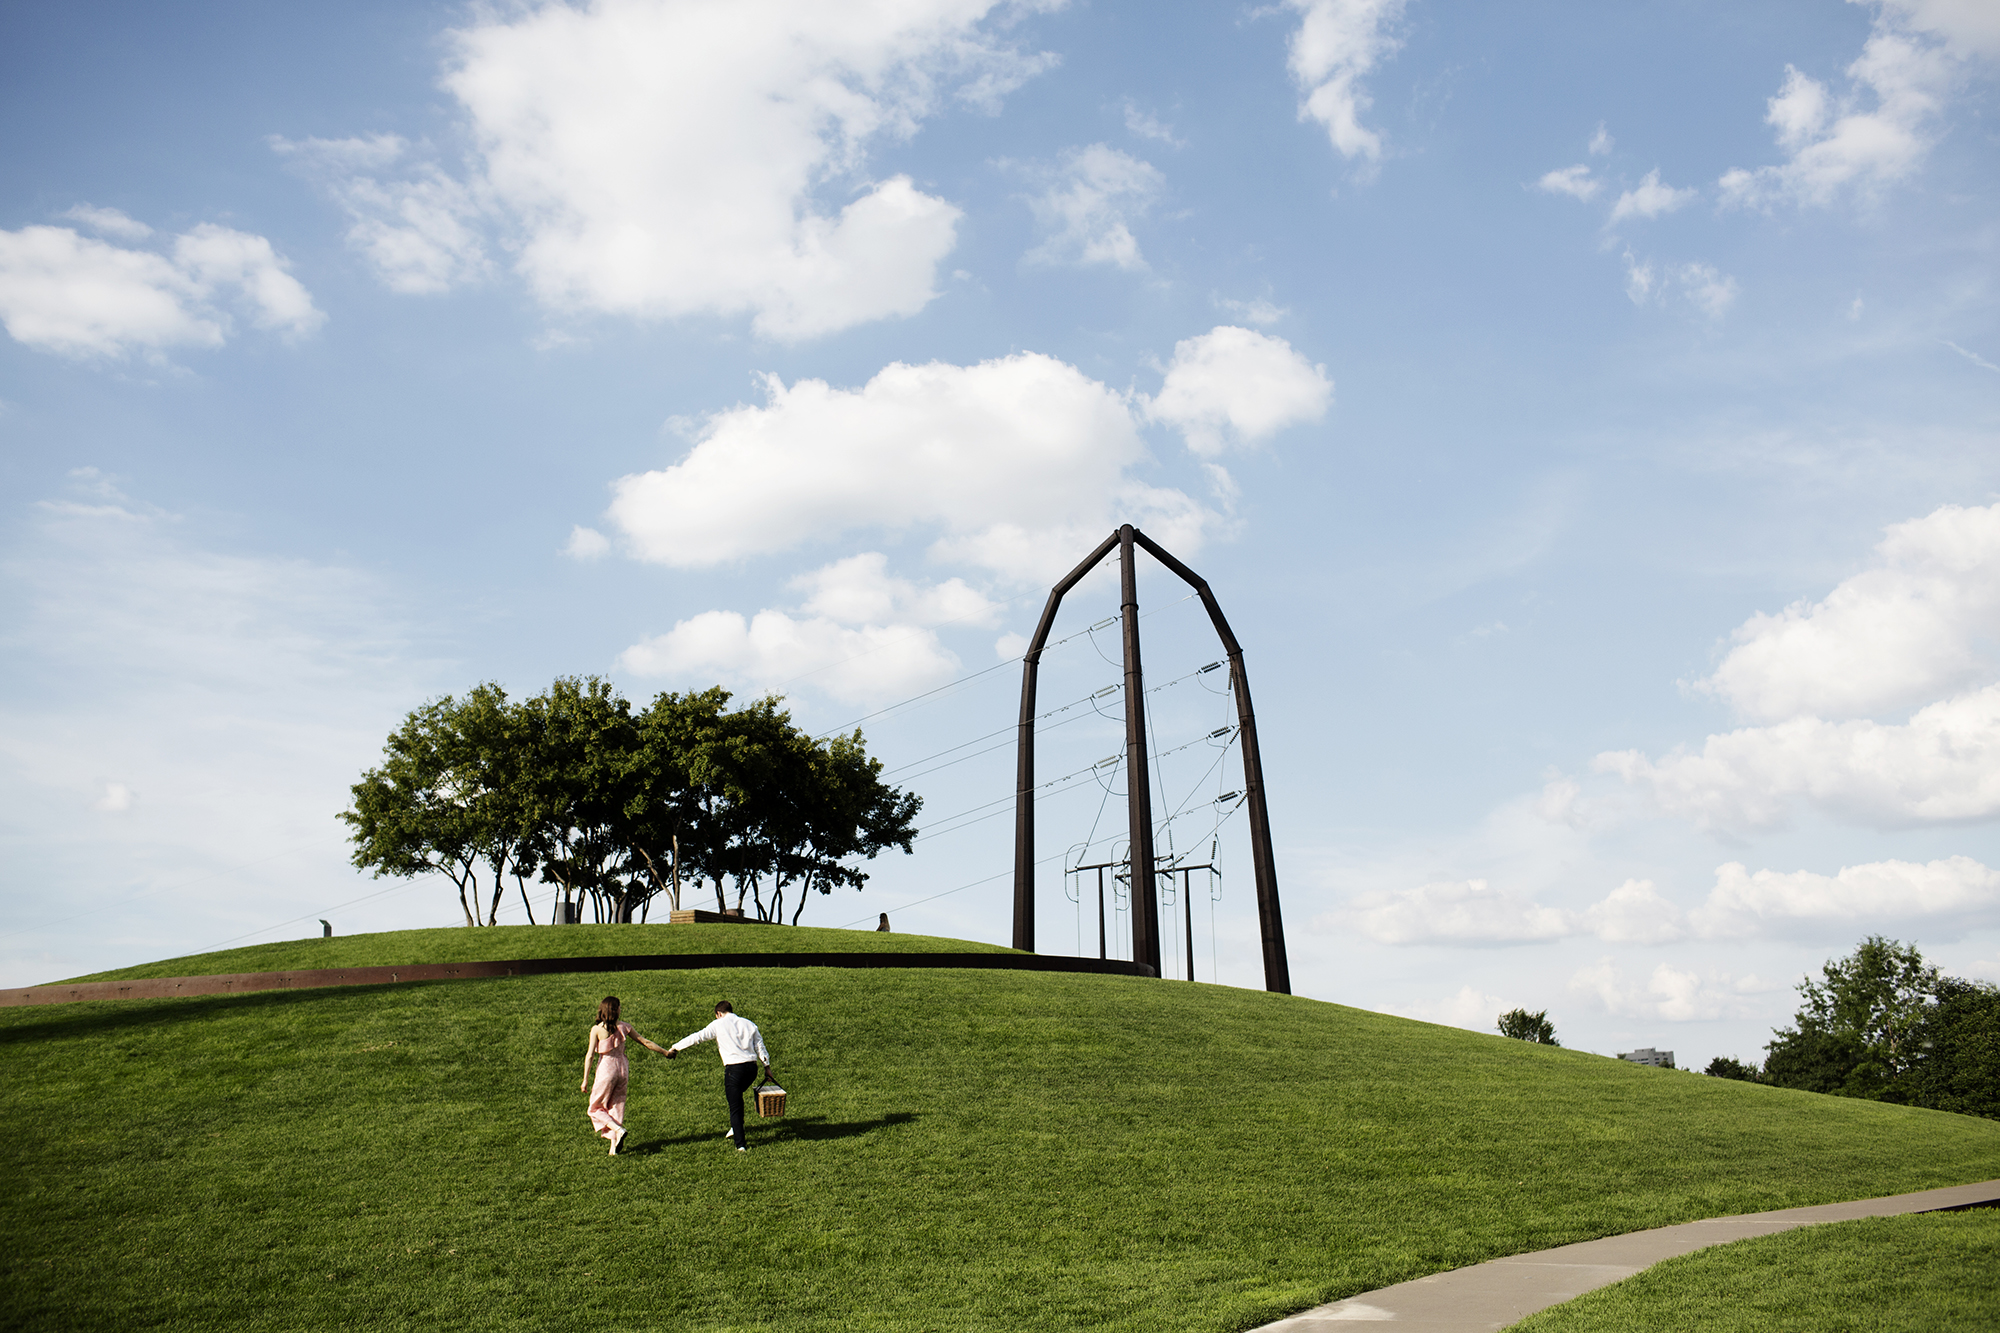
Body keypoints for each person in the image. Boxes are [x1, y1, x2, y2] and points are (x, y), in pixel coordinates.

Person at [664, 1000, 772, 1152]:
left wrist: (676, 1047)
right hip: (751, 1069)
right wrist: (766, 1066)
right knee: (738, 1098)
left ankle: (740, 1144)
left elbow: (697, 1037)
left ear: (719, 1014)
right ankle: (736, 1127)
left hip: (734, 1069)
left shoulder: (718, 1024)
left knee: (734, 1106)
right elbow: (759, 1045)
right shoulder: (749, 1024)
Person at [580, 995, 668, 1155]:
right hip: (623, 1069)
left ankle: (618, 1130)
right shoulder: (625, 1027)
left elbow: (590, 1055)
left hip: (607, 1069)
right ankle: (613, 1149)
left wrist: (585, 1079)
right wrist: (665, 1052)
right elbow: (646, 1042)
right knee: (616, 1106)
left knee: (594, 1108)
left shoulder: (597, 1029)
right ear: (615, 1010)